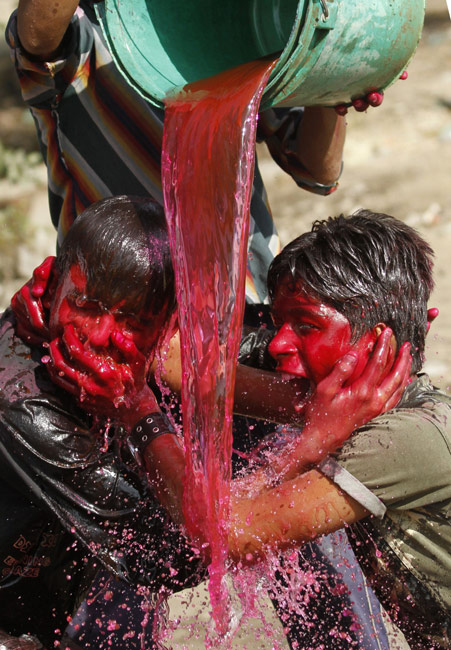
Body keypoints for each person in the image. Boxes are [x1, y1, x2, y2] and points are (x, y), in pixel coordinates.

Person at [0, 197, 409, 649]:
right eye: (85, 304)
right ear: (51, 283)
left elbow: (245, 348)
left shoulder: (148, 350)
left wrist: (343, 377)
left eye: (133, 320)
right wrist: (305, 447)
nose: (99, 335)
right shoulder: (27, 411)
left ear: (170, 327)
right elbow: (174, 555)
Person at [6, 0, 346, 316]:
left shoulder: (231, 18)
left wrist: (340, 83)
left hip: (247, 305)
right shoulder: (83, 30)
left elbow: (317, 167)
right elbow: (37, 35)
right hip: (121, 321)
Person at [229, 210, 450, 649]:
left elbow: (231, 534)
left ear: (379, 342)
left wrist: (141, 416)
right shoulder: (376, 411)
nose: (278, 343)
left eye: (306, 325)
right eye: (279, 323)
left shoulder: (402, 439)